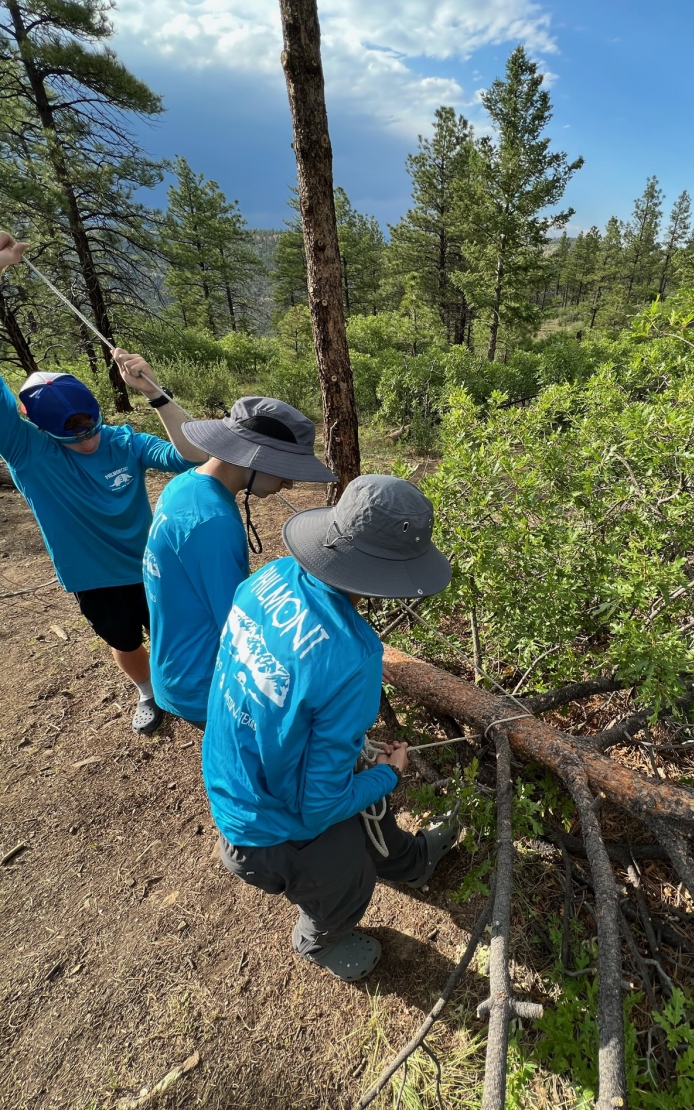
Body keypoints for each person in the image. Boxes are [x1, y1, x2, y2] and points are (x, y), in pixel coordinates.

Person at [203, 474, 457, 981]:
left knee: (363, 799)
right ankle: (320, 939)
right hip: (265, 829)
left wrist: (362, 763)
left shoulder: (269, 577)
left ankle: (409, 862)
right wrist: (389, 774)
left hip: (231, 777)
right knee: (349, 875)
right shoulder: (353, 655)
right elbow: (320, 806)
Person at [0, 231, 208, 734]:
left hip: (152, 563)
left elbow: (195, 456)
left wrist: (155, 392)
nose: (87, 440)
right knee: (124, 641)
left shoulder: (123, 441)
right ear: (39, 428)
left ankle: (186, 684)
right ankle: (147, 693)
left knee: (177, 631)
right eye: (71, 435)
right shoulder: (27, 450)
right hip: (93, 577)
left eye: (90, 426)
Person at [141, 394, 337, 727]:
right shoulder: (214, 521)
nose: (289, 483)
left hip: (175, 664)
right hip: (208, 682)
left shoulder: (185, 485)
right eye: (285, 469)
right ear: (254, 457)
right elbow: (241, 629)